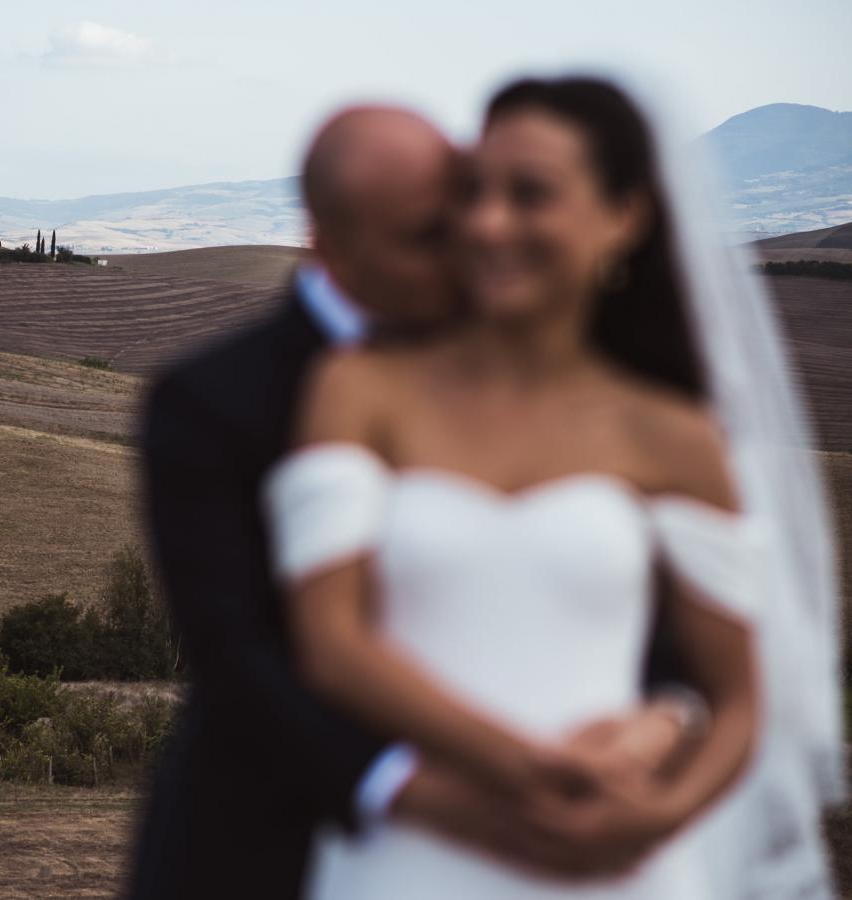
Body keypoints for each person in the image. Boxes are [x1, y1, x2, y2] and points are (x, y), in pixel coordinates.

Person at [264, 77, 842, 898]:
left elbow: (739, 701)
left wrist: (648, 818)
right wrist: (533, 771)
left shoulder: (673, 436)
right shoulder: (359, 391)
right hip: (410, 859)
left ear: (625, 216)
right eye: (475, 192)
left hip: (616, 862)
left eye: (529, 194)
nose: (489, 223)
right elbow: (329, 643)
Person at [126, 103, 711, 900]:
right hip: (273, 844)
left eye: (466, 211)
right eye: (425, 236)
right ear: (326, 246)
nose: (470, 246)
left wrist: (652, 732)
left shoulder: (547, 372)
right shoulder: (210, 402)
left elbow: (646, 606)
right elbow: (243, 660)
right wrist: (441, 802)